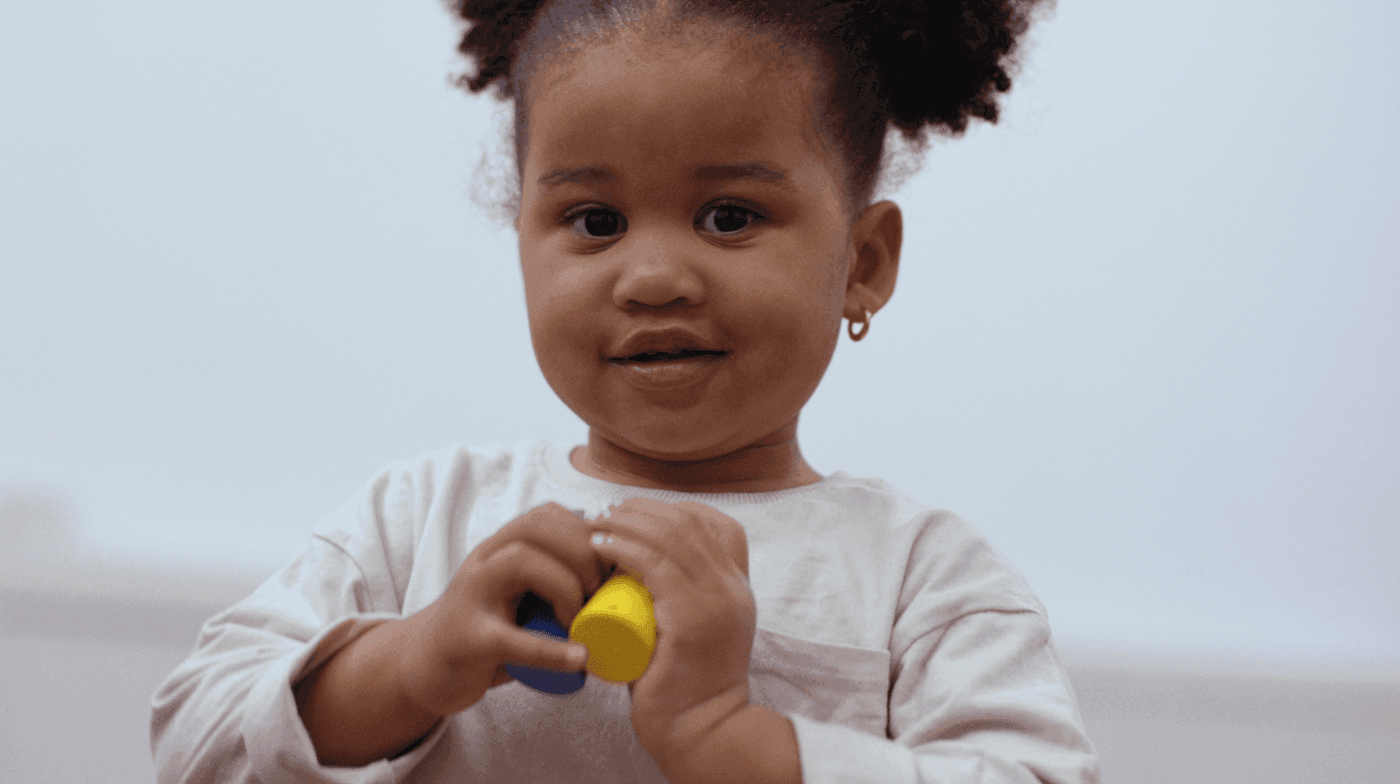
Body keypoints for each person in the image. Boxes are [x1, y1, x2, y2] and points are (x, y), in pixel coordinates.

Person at [151, 0, 1099, 781]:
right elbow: (194, 735)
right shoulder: (424, 522)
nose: (652, 277)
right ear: (520, 240)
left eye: (728, 217)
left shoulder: (922, 578)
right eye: (595, 220)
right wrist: (416, 661)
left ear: (864, 261)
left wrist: (732, 738)